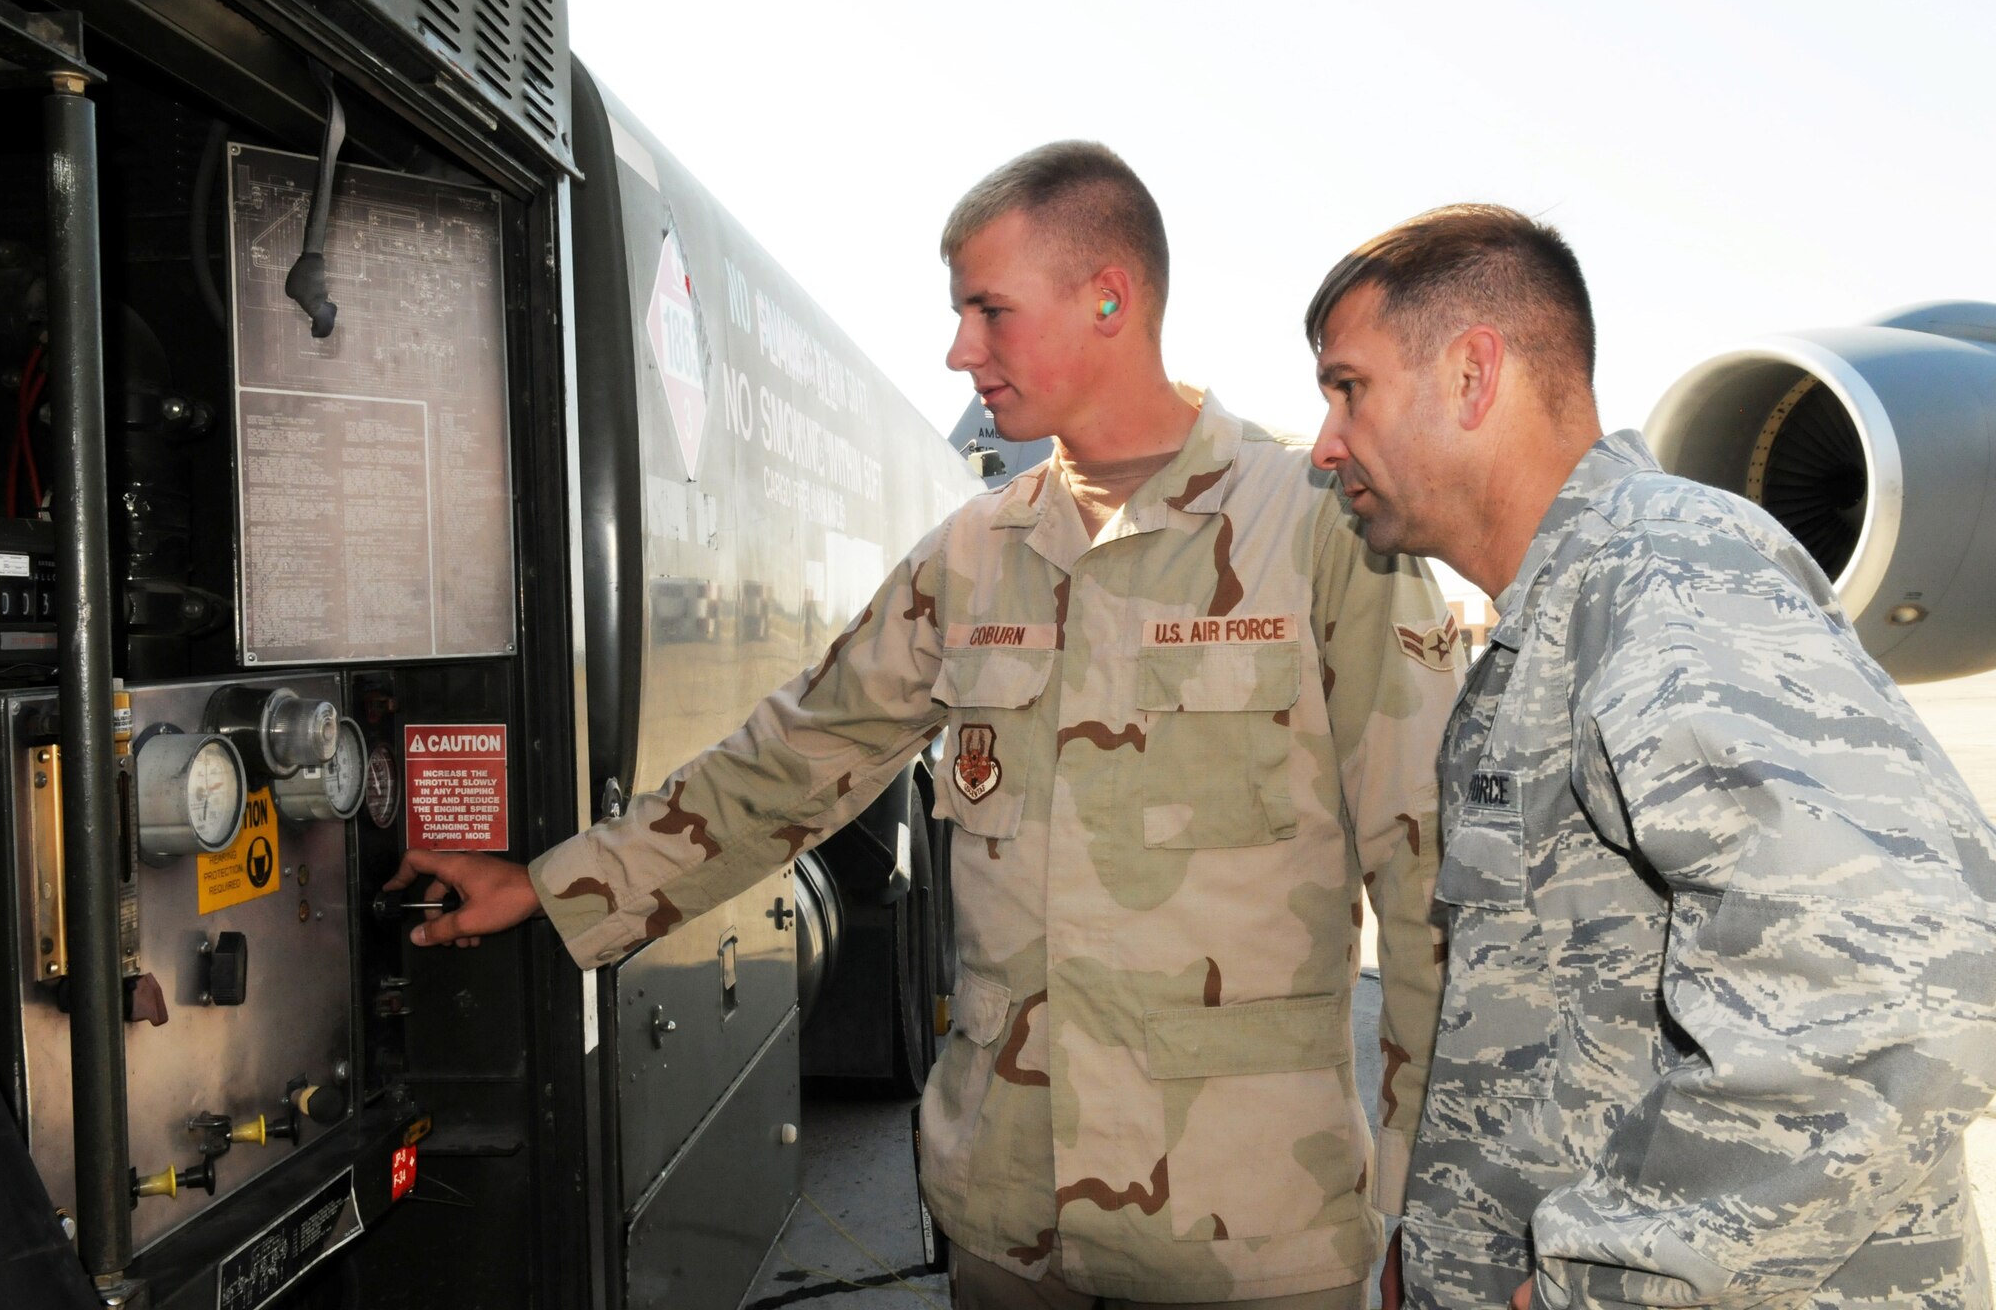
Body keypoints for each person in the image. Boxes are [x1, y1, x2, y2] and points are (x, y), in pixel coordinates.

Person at [387, 142, 1461, 1308]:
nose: (960, 350)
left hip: (1245, 1236)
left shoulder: (1317, 529)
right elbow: (793, 759)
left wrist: (1435, 1216)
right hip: (1009, 1219)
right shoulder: (972, 553)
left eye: (989, 311)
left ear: (1108, 298)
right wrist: (554, 885)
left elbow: (1433, 883)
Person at [1302, 203, 1996, 1310]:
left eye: (1349, 388)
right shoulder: (1557, 617)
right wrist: (1438, 1249)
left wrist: (1618, 1272)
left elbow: (1905, 978)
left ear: (1473, 375)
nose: (1326, 442)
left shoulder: (1661, 568)